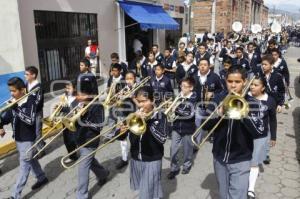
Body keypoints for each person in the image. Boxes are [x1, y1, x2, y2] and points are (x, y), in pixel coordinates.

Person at [203, 67, 268, 199]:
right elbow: (205, 126)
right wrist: (218, 113)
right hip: (219, 157)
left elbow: (260, 132)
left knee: (237, 195)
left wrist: (244, 113)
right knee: (223, 194)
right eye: (230, 81)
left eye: (237, 82)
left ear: (244, 82)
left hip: (241, 159)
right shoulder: (218, 98)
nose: (233, 85)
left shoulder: (253, 103)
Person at [116, 86, 169, 199]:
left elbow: (162, 138)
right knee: (147, 189)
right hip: (136, 159)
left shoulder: (160, 116)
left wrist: (148, 122)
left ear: (152, 100)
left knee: (145, 195)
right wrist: (121, 131)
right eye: (138, 102)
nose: (140, 105)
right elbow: (120, 137)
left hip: (152, 160)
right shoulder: (132, 115)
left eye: (144, 101)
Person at [0, 77, 48, 199]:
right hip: (18, 138)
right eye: (10, 91)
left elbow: (30, 120)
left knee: (24, 166)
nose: (11, 93)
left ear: (22, 90)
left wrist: (15, 108)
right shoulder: (14, 101)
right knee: (31, 159)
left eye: (14, 91)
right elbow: (6, 118)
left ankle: (15, 195)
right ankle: (42, 177)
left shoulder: (30, 101)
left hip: (27, 139)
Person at [75, 77, 110, 199]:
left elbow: (99, 125)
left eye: (81, 94)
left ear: (89, 94)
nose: (78, 96)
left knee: (82, 168)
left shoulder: (97, 106)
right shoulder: (78, 104)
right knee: (90, 162)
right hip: (80, 138)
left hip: (90, 140)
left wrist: (84, 118)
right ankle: (103, 174)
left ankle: (81, 195)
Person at [247, 76, 277, 199]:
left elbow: (273, 120)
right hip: (244, 134)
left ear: (263, 87)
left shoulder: (269, 100)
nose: (252, 86)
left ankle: (250, 189)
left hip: (261, 135)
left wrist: (273, 136)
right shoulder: (245, 96)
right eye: (252, 84)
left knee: (254, 162)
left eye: (256, 85)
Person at [167, 77, 197, 179]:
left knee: (187, 149)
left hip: (188, 128)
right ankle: (174, 168)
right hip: (176, 127)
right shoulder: (179, 96)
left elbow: (190, 114)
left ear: (191, 88)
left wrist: (175, 108)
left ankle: (187, 165)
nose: (182, 88)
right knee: (173, 149)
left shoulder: (194, 98)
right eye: (181, 86)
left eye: (185, 87)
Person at [193, 58, 223, 144]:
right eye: (201, 65)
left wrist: (212, 94)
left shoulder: (215, 77)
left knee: (211, 123)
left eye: (205, 65)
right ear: (198, 66)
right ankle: (197, 143)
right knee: (198, 125)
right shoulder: (194, 77)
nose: (202, 66)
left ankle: (212, 135)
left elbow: (221, 90)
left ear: (209, 66)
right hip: (198, 106)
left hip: (211, 106)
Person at [25, 66, 46, 158]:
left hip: (37, 112)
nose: (25, 76)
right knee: (32, 131)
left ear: (33, 75)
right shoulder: (26, 84)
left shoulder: (39, 86)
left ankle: (41, 150)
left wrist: (30, 107)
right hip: (29, 112)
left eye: (27, 74)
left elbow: (38, 100)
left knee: (37, 131)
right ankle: (40, 144)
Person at [61, 81, 79, 163]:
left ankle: (81, 153)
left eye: (69, 88)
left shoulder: (78, 98)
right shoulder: (64, 97)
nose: (67, 90)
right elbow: (62, 109)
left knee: (75, 139)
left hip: (74, 123)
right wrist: (59, 107)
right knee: (66, 140)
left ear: (74, 89)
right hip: (65, 122)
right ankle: (72, 156)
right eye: (66, 88)